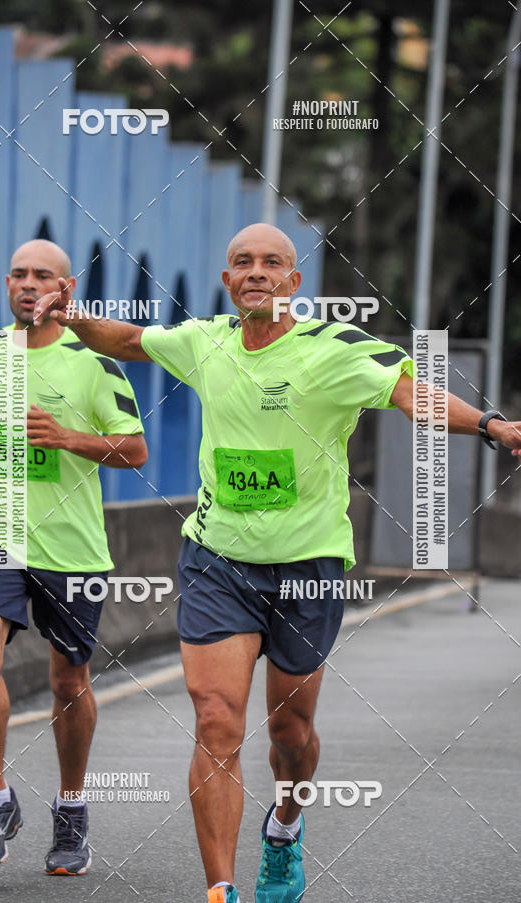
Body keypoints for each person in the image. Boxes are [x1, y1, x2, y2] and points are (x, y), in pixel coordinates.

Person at [34, 223, 521, 902]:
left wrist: (493, 425)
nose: (256, 271)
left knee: (290, 734)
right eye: (242, 263)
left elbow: (417, 398)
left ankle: (286, 825)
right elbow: (124, 340)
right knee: (215, 721)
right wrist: (70, 315)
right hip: (217, 560)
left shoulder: (335, 349)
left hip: (306, 567)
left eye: (272, 263)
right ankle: (222, 889)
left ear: (294, 283)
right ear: (228, 281)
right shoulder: (204, 342)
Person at [0, 238, 147, 874]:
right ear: (7, 285)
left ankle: (71, 811)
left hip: (72, 547)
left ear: (65, 289)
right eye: (18, 275)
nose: (28, 284)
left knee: (69, 679)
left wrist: (68, 438)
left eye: (44, 276)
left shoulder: (94, 362)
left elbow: (134, 450)